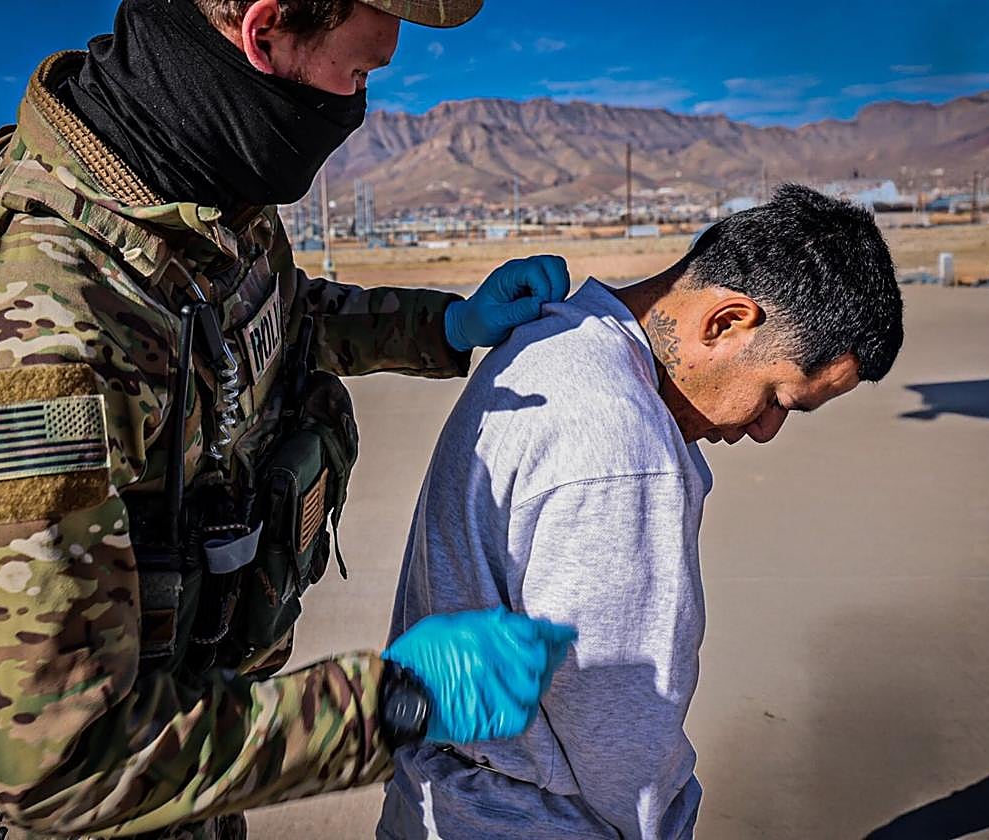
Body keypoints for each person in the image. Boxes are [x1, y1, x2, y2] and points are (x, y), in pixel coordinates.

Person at [0, 1, 575, 838]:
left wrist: (447, 325)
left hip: (198, 763)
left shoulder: (189, 181)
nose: (359, 102)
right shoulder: (21, 327)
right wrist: (397, 705)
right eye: (359, 72)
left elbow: (267, 318)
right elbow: (63, 766)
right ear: (263, 34)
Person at [378, 185, 905, 839]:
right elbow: (619, 733)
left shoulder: (551, 339)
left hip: (436, 803)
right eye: (777, 398)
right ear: (725, 322)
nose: (765, 430)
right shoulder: (623, 446)